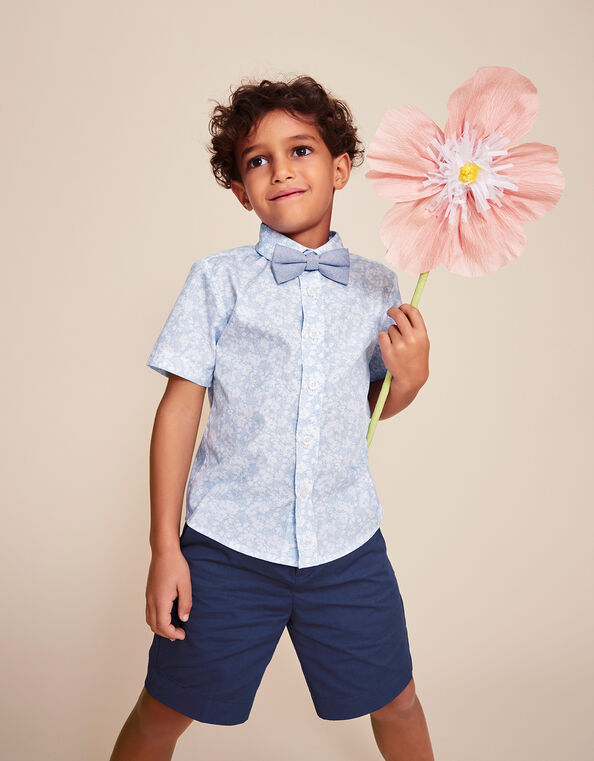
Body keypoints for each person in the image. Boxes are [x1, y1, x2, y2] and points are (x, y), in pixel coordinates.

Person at [110, 75, 434, 761]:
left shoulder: (378, 286)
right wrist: (165, 548)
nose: (281, 170)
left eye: (301, 150)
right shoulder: (217, 280)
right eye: (259, 159)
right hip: (228, 549)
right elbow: (179, 411)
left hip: (345, 547)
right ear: (240, 189)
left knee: (399, 702)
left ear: (340, 168)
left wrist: (411, 377)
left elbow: (371, 408)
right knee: (162, 711)